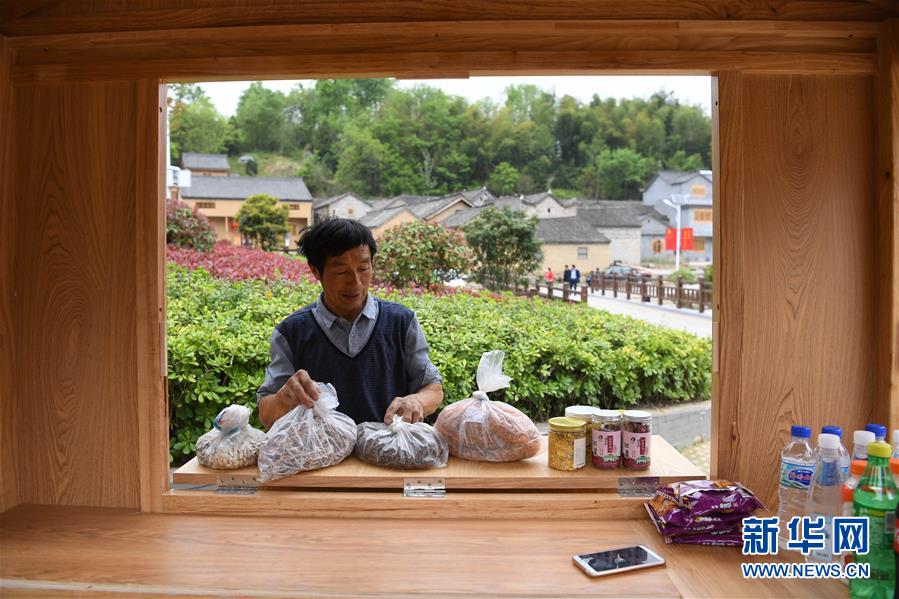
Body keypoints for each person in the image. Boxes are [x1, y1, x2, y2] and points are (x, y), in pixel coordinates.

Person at [257, 218, 444, 428]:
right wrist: (284, 398)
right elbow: (266, 414)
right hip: (321, 457)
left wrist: (416, 401)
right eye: (341, 271)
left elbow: (433, 388)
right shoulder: (291, 333)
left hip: (387, 453)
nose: (355, 282)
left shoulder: (401, 323)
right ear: (315, 271)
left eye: (363, 268)